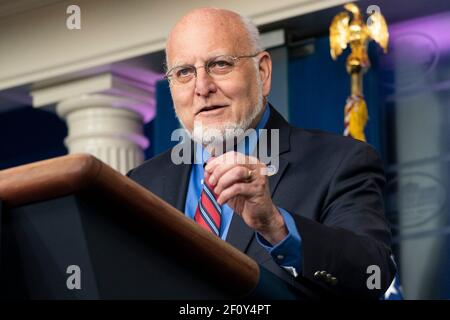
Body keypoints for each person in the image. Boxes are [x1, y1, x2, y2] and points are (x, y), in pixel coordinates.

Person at [127, 7, 396, 299]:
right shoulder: (141, 183)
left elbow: (374, 274)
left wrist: (276, 226)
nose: (202, 87)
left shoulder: (341, 161)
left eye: (219, 64)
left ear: (263, 72)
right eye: (184, 72)